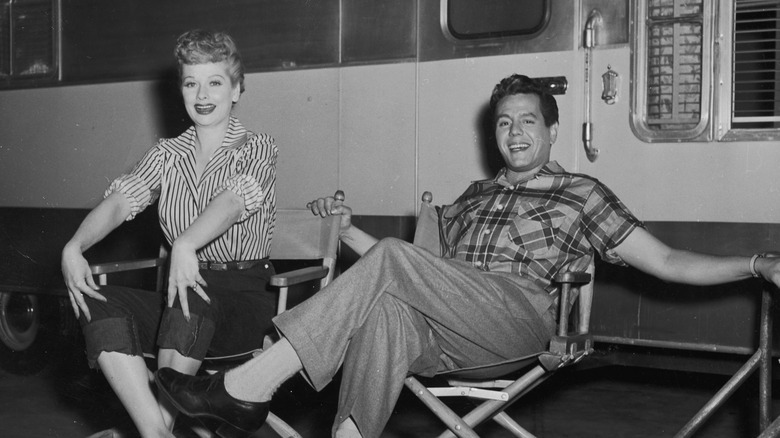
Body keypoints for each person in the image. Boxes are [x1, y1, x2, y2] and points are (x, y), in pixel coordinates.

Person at [153, 74, 780, 438]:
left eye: (528, 122)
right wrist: (346, 233)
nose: (515, 133)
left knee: (397, 266)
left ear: (552, 131)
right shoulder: (474, 196)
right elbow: (405, 270)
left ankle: (247, 386)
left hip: (519, 318)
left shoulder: (580, 193)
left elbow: (667, 261)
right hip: (448, 326)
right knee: (385, 314)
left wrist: (754, 264)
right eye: (504, 123)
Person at [61, 29, 279, 438]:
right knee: (96, 298)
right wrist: (75, 245)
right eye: (191, 82)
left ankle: (159, 426)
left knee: (186, 293)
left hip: (244, 299)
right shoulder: (167, 154)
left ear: (236, 90)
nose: (202, 94)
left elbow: (233, 202)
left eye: (215, 82)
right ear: (180, 90)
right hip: (186, 296)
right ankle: (156, 430)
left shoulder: (257, 146)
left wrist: (185, 243)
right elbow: (122, 201)